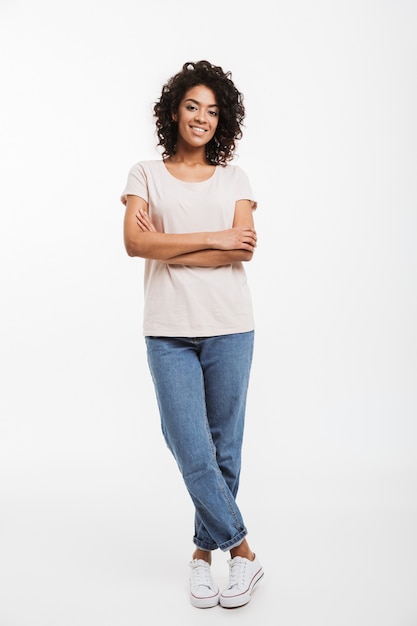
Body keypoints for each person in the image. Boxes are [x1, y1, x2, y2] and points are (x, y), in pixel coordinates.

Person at [120, 60, 263, 609]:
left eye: (211, 109)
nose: (201, 117)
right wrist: (216, 240)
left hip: (231, 326)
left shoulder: (236, 179)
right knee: (190, 447)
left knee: (224, 450)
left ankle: (204, 558)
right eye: (191, 106)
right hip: (168, 330)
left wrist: (173, 243)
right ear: (173, 111)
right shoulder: (144, 174)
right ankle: (244, 553)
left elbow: (246, 247)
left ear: (220, 119)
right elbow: (136, 245)